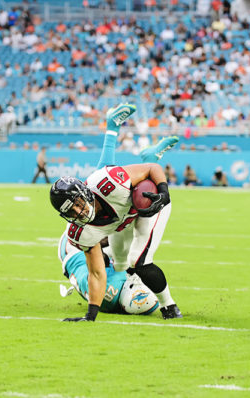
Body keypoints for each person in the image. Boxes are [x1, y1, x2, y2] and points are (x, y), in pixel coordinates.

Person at [49, 103, 182, 322]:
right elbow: (96, 273)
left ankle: (169, 306)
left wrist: (163, 193)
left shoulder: (107, 184)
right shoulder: (81, 231)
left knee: (139, 260)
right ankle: (146, 151)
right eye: (70, 211)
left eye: (77, 203)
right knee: (121, 265)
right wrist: (90, 316)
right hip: (123, 219)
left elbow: (151, 171)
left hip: (148, 206)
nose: (78, 211)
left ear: (84, 193)